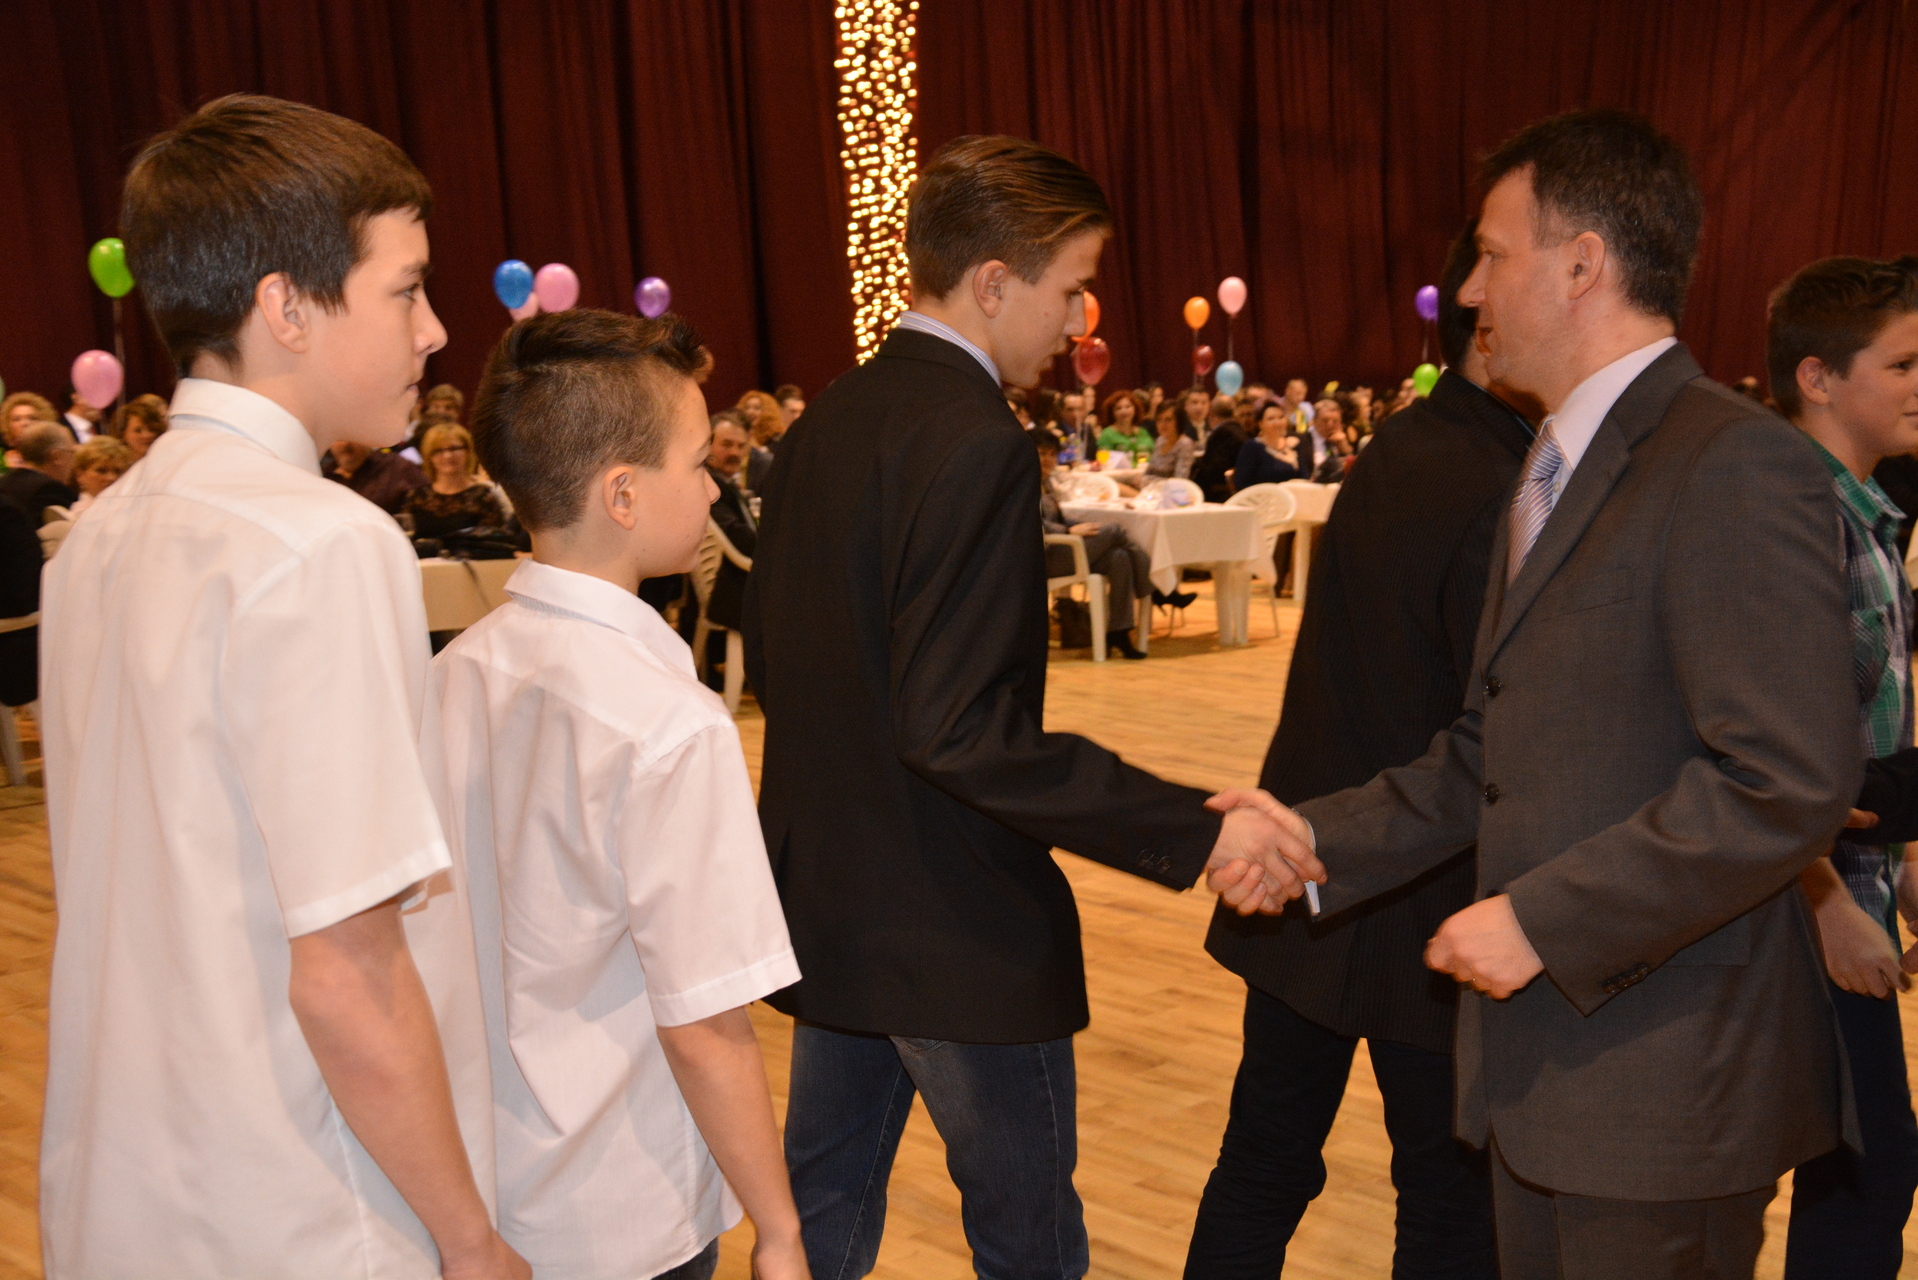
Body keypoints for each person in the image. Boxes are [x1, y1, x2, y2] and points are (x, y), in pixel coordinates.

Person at [1246, 107, 1860, 1280]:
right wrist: (1317, 839)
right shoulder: (1552, 463)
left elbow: (1785, 781)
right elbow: (1495, 746)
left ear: (1581, 264)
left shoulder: (1730, 459)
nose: (1470, 289)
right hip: (1541, 1076)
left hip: (1662, 1090)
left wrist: (1540, 918)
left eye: (1491, 253)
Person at [743, 133, 1321, 1280]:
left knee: (813, 1231)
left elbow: (785, 659)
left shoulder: (825, 422)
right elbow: (959, 727)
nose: (1078, 321)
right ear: (994, 281)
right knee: (1030, 1249)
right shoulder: (975, 441)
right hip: (955, 926)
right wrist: (1195, 827)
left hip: (833, 907)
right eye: (1070, 289)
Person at [38, 93, 522, 1279]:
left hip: (126, 1188)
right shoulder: (319, 541)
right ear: (287, 308)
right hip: (304, 1205)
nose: (435, 330)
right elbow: (348, 967)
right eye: (405, 289)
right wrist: (471, 1240)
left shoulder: (99, 533)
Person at [1188, 219, 1535, 1280]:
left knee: (1265, 1159)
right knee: (1445, 1193)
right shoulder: (1505, 479)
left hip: (1314, 846)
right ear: (1488, 324)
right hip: (1421, 873)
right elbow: (1495, 720)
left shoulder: (1408, 442)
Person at [439, 308, 808, 1280]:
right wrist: (779, 1229)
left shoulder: (450, 674)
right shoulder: (669, 723)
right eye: (698, 461)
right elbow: (704, 1023)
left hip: (478, 1184)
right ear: (624, 494)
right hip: (620, 1201)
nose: (715, 484)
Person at [1763, 255, 1918, 1280]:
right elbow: (1762, 749)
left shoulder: (1865, 513)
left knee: (1854, 1166)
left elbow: (1867, 721)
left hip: (1851, 883)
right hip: (1799, 903)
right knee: (1869, 1169)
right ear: (1817, 377)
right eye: (1901, 365)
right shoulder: (1798, 519)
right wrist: (1825, 901)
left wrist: (1900, 863)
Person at [1036, 430, 1151, 658]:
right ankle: (1154, 588)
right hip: (1044, 556)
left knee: (1119, 557)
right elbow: (1033, 523)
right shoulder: (1022, 483)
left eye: (1052, 454)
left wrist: (1079, 526)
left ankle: (1119, 631)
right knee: (1115, 530)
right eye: (1042, 453)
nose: (1048, 459)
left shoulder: (1045, 482)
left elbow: (1057, 518)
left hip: (1062, 548)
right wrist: (1068, 531)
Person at [401, 422, 506, 539]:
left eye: (454, 448)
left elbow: (493, 542)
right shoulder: (416, 496)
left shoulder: (483, 496)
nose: (447, 456)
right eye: (438, 451)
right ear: (429, 456)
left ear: (468, 451)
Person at [325, 435, 426, 513]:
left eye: (351, 437)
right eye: (338, 439)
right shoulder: (323, 479)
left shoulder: (394, 466)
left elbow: (427, 496)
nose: (345, 444)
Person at [0, 421, 79, 522]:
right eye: (71, 453)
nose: (73, 461)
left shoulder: (4, 482)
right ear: (57, 456)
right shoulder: (51, 490)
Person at [1231, 400, 1301, 491]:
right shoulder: (1252, 447)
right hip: (1263, 497)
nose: (1278, 423)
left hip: (1293, 496)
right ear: (1260, 424)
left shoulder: (1292, 444)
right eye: (1271, 419)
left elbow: (1304, 476)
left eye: (1281, 417)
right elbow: (1242, 484)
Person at [1192, 398, 1248, 503]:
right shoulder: (1241, 431)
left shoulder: (1221, 434)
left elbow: (1213, 469)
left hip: (1220, 494)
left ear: (1211, 413)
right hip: (1240, 491)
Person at [67, 436, 134, 516]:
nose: (111, 478)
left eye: (118, 471)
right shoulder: (80, 514)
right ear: (80, 475)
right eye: (101, 471)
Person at [1143, 401, 1196, 480]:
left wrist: (1150, 481)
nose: (1163, 424)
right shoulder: (1160, 441)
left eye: (1168, 420)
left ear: (1178, 421)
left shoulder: (1185, 444)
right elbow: (1149, 472)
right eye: (1159, 420)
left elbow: (1180, 479)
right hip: (1151, 485)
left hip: (1170, 487)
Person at [108, 393, 169, 460]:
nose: (146, 435)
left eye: (151, 429)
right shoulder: (114, 464)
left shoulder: (168, 460)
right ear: (122, 434)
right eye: (138, 431)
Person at [1308, 398, 1353, 482]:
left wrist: (1345, 450)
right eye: (1325, 420)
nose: (1330, 425)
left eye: (1335, 421)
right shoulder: (1303, 440)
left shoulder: (1340, 440)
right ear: (1314, 421)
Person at [1097, 388, 1152, 456]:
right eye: (1118, 408)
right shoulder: (1107, 435)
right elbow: (1103, 459)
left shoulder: (1143, 433)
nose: (1124, 411)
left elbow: (1151, 455)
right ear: (1112, 413)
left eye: (1128, 407)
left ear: (1135, 409)